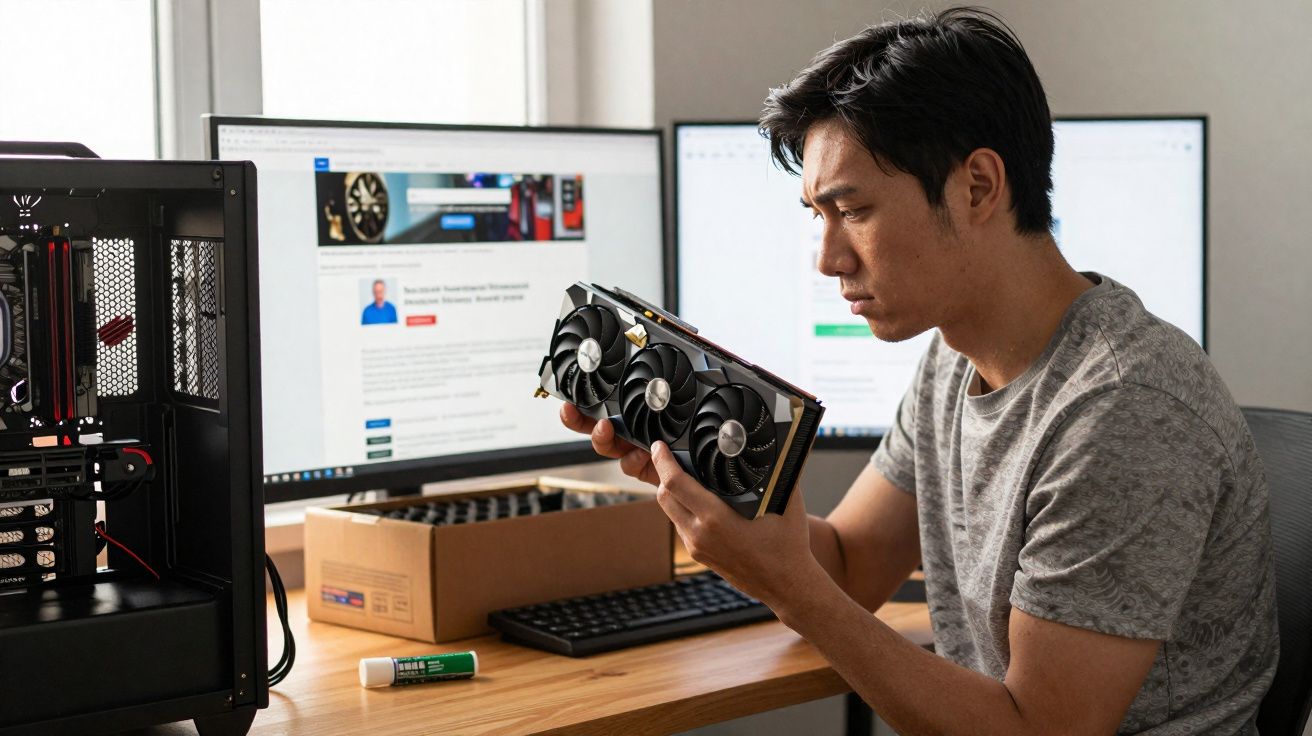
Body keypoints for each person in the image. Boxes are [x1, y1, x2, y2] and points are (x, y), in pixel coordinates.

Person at [561, 7, 1277, 734]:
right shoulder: (954, 355)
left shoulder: (1123, 408)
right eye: (818, 215)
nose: (828, 259)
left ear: (977, 187)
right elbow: (849, 565)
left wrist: (792, 587)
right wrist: (713, 482)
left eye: (854, 209)